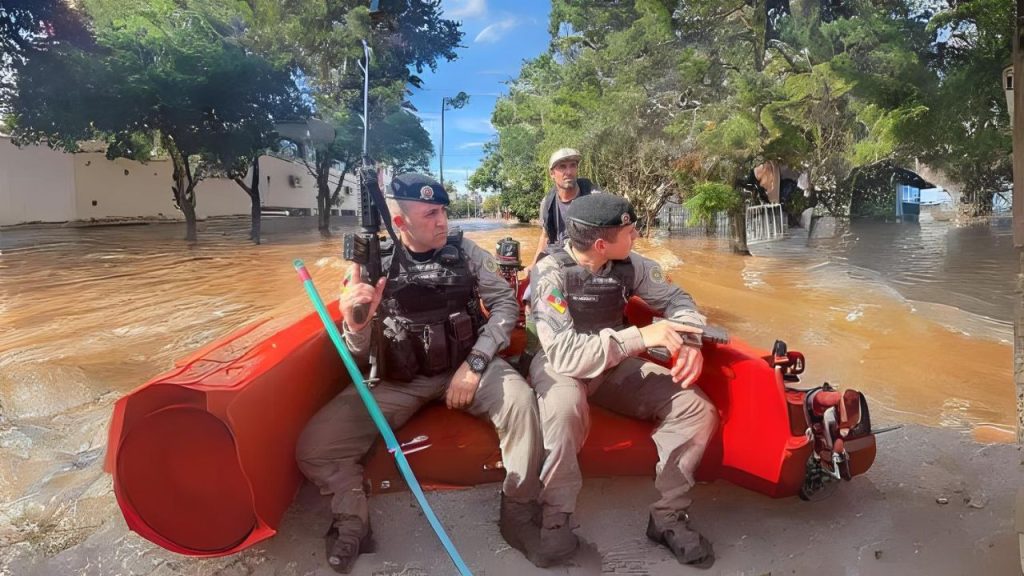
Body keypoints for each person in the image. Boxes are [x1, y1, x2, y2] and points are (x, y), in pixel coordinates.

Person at [296, 173, 546, 573]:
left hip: (465, 366)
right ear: (400, 223)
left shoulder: (467, 253)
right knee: (316, 446)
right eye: (431, 214)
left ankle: (517, 514)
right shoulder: (369, 265)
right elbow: (358, 355)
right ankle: (352, 520)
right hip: (398, 379)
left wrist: (476, 363)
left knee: (521, 403)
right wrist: (356, 325)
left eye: (443, 211)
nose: (442, 221)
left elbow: (505, 308)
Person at [528, 193, 719, 568]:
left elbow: (679, 298)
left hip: (614, 366)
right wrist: (643, 337)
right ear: (602, 244)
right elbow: (565, 354)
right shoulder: (549, 272)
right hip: (560, 364)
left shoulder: (631, 265)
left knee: (695, 408)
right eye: (629, 231)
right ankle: (555, 517)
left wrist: (692, 338)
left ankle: (667, 517)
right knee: (563, 409)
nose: (636, 236)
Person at [528, 148, 596, 269]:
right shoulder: (547, 203)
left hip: (589, 255)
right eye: (563, 167)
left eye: (573, 166)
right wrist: (534, 265)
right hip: (559, 256)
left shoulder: (594, 197)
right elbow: (545, 236)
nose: (569, 172)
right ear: (552, 174)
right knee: (543, 283)